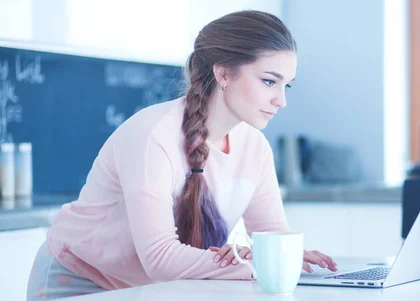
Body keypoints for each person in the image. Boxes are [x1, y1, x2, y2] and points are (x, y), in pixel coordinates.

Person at [26, 10, 337, 300]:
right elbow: (161, 259)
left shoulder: (255, 149)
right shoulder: (153, 136)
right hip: (81, 280)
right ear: (224, 74)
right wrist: (250, 262)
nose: (281, 100)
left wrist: (287, 259)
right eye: (269, 81)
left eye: (287, 86)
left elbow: (271, 237)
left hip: (152, 287)